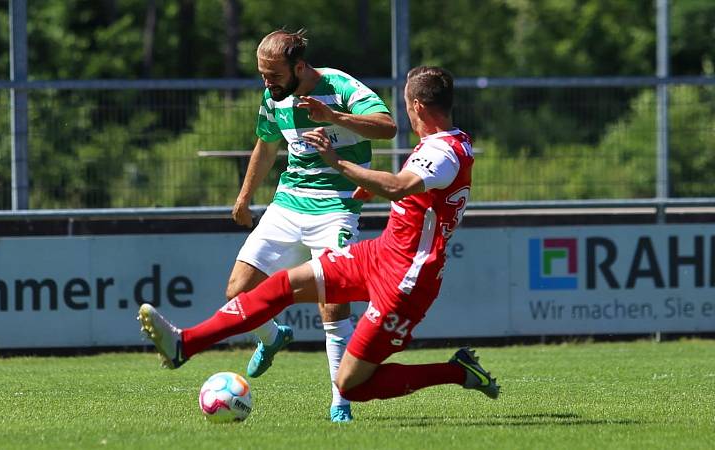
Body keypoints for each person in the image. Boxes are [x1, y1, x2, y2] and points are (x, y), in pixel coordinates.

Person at [139, 66, 499, 414]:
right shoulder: (444, 144)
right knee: (281, 286)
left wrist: (339, 164)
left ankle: (458, 371)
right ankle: (185, 344)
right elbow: (414, 189)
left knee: (352, 385)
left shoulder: (443, 151)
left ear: (417, 106)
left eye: (405, 104)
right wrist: (372, 185)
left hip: (406, 279)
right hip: (379, 254)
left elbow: (399, 186)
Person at [225, 29, 396, 422]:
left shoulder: (339, 85)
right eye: (262, 74)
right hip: (287, 206)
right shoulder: (274, 96)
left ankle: (341, 402)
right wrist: (244, 196)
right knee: (236, 291)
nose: (266, 83)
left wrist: (334, 117)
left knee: (333, 302)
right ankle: (273, 337)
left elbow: (387, 127)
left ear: (299, 67)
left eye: (273, 75)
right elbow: (267, 145)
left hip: (336, 207)